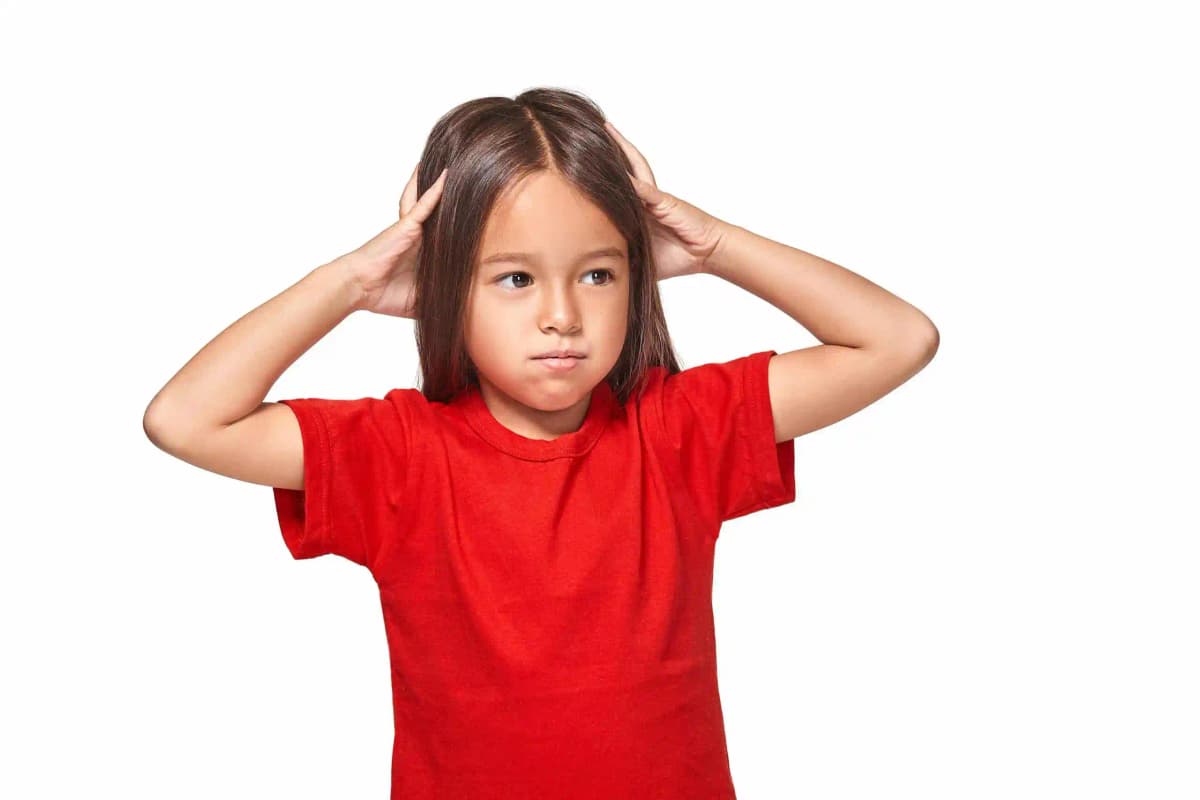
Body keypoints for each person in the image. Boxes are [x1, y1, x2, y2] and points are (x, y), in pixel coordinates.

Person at [143, 87, 938, 800]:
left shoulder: (678, 429)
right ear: (448, 285)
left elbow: (897, 339)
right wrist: (350, 282)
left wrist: (712, 246)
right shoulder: (401, 453)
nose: (562, 314)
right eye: (515, 279)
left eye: (597, 275)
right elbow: (186, 420)